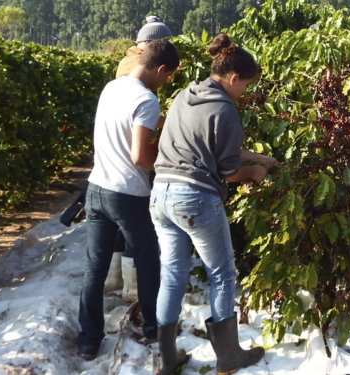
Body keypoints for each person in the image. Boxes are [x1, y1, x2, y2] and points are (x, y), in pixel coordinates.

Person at [150, 33, 281, 375]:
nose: (246, 93)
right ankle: (229, 357)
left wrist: (256, 155)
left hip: (161, 194)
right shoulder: (225, 109)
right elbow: (227, 170)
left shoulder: (185, 95)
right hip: (194, 198)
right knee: (222, 273)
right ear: (234, 78)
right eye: (246, 86)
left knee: (173, 274)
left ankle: (167, 362)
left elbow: (201, 144)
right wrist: (253, 171)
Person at [77, 39, 180, 360]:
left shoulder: (112, 87)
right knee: (148, 262)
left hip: (96, 188)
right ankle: (153, 328)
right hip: (128, 195)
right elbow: (138, 155)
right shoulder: (146, 100)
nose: (165, 83)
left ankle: (89, 340)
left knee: (95, 268)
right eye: (168, 77)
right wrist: (168, 166)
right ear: (160, 68)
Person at [104, 15, 173, 302]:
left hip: (105, 176)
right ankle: (139, 303)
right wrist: (169, 165)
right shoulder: (142, 88)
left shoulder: (116, 82)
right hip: (127, 178)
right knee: (141, 245)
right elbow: (139, 150)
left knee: (111, 242)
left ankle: (113, 282)